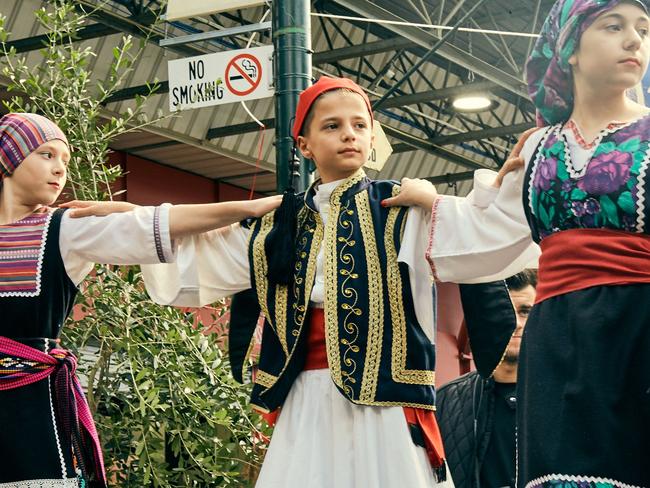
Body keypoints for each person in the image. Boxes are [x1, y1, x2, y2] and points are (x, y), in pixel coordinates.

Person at [137, 76, 455, 488]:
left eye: (360, 125)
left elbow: (467, 241)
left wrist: (433, 201)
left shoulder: (400, 205)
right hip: (305, 397)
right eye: (332, 126)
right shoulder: (279, 223)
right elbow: (190, 254)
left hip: (384, 399)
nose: (349, 135)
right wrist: (126, 214)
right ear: (304, 145)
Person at [385, 1, 650, 486]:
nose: (635, 40)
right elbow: (490, 233)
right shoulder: (537, 147)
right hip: (557, 340)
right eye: (614, 26)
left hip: (639, 328)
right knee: (559, 473)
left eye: (643, 29)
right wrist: (429, 200)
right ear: (569, 47)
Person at [0, 112, 281, 487]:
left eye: (64, 161)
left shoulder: (65, 231)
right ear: (10, 160)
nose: (59, 170)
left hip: (32, 405)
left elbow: (163, 222)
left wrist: (249, 207)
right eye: (46, 155)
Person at [436, 270, 537, 488]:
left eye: (525, 311)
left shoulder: (567, 395)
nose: (516, 323)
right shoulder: (444, 402)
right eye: (506, 312)